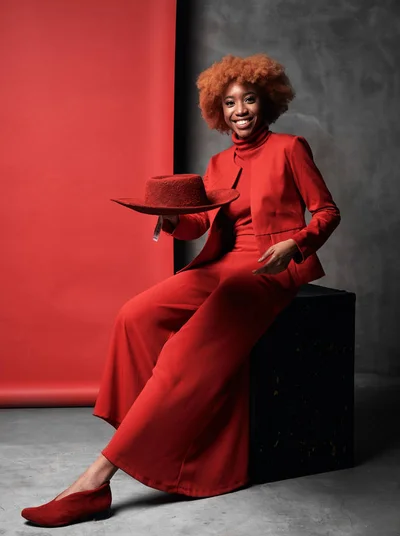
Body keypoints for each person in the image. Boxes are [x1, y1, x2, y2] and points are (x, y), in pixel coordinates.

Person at [21, 53, 341, 527]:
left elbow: (327, 211)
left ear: (266, 103)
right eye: (230, 103)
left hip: (267, 269)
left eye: (249, 99)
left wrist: (297, 244)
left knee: (185, 349)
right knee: (135, 315)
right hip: (219, 265)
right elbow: (198, 225)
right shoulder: (216, 163)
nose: (240, 110)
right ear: (219, 110)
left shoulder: (291, 148)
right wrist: (169, 218)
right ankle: (154, 437)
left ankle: (95, 481)